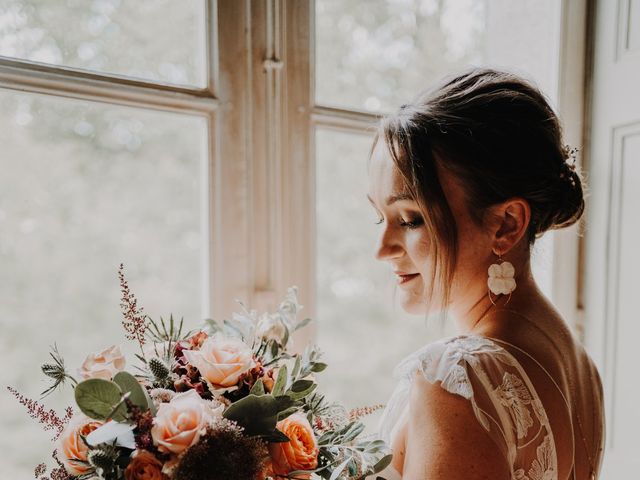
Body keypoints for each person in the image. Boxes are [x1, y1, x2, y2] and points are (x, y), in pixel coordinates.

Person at [366, 67, 605, 479]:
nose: (381, 249)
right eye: (378, 217)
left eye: (410, 219)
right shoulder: (576, 363)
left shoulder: (457, 380)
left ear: (507, 224)